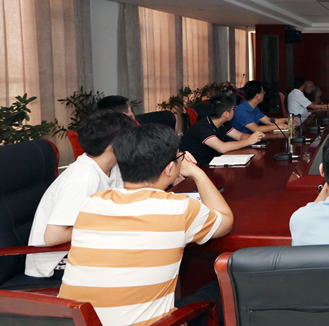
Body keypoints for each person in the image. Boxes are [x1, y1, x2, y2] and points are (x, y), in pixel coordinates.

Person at [58, 124, 233, 326]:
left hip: (76, 321)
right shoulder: (180, 208)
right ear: (170, 168)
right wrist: (196, 172)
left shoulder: (93, 202)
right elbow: (225, 221)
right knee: (220, 290)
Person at [25, 110, 137, 281]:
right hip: (58, 261)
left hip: (86, 246)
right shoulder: (82, 179)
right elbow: (53, 237)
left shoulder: (112, 167)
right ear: (115, 145)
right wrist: (105, 221)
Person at [180, 94, 265, 166]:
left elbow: (240, 136)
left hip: (213, 161)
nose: (234, 111)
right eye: (232, 109)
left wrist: (255, 136)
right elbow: (222, 148)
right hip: (197, 165)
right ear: (226, 114)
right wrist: (249, 141)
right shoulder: (202, 127)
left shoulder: (223, 123)